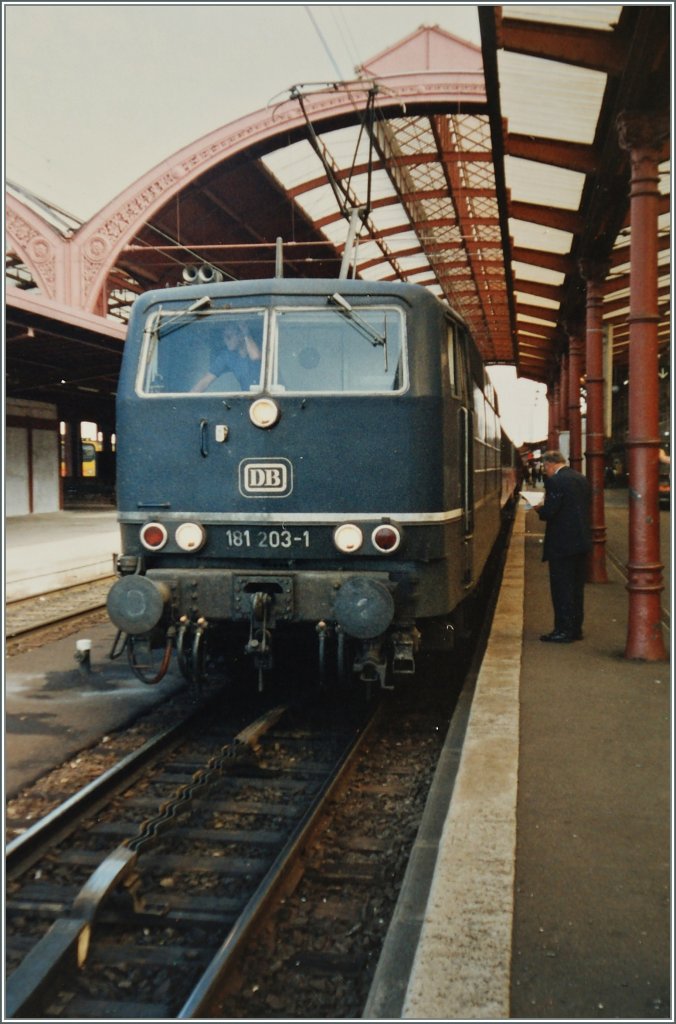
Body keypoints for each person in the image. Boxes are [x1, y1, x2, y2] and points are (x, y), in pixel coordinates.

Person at [532, 450, 592, 643]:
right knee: (576, 589)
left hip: (562, 544)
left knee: (561, 590)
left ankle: (563, 631)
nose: (545, 472)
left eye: (545, 468)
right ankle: (576, 629)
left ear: (550, 464)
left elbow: (550, 512)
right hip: (580, 542)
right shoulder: (581, 479)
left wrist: (538, 508)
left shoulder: (555, 482)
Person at [192, 321, 261, 392]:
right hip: (248, 398)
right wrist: (188, 400)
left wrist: (246, 334)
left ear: (240, 336)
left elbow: (255, 357)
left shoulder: (257, 346)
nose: (225, 341)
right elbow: (204, 382)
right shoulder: (227, 356)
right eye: (224, 338)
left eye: (229, 337)